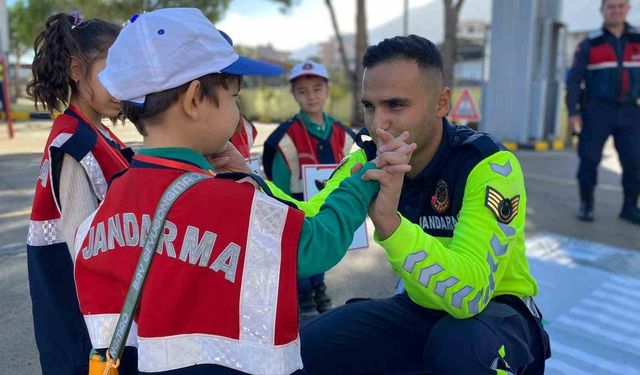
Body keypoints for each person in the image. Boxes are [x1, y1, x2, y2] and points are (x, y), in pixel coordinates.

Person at [72, 8, 414, 374]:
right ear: (194, 100)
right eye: (234, 95)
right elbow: (317, 243)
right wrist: (365, 180)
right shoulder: (229, 201)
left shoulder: (105, 208)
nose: (238, 108)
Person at [243, 35, 548, 373]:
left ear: (441, 103)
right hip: (420, 307)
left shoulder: (489, 165)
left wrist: (390, 223)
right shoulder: (368, 158)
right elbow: (311, 219)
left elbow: (470, 296)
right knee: (303, 347)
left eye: (396, 105)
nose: (378, 123)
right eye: (369, 106)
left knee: (458, 348)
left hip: (499, 314)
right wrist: (246, 179)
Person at [25, 13, 132, 374]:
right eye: (113, 67)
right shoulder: (73, 145)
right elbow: (88, 255)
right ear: (75, 69)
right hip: (88, 337)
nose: (125, 82)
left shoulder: (101, 135)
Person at [262, 60, 356, 317]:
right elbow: (278, 185)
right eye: (303, 91)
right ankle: (302, 296)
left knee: (322, 248)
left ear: (327, 90)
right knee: (300, 255)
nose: (311, 96)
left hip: (326, 209)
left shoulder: (344, 135)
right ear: (294, 94)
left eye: (317, 88)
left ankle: (318, 288)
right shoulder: (285, 137)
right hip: (296, 211)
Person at [566, 0, 640, 224]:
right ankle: (586, 204)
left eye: (620, 6)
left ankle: (629, 206)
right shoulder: (590, 43)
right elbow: (574, 80)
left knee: (634, 160)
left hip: (630, 110)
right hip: (597, 110)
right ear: (603, 11)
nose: (616, 10)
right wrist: (573, 111)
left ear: (627, 9)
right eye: (611, 7)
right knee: (588, 159)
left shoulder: (638, 39)